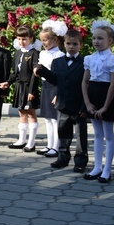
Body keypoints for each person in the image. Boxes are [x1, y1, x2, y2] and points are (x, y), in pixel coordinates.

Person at [35, 28, 88, 172]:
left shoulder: (85, 62)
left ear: (80, 45)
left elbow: (87, 86)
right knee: (63, 131)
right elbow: (55, 80)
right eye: (69, 44)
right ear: (64, 44)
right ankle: (63, 157)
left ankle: (80, 161)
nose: (71, 47)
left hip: (78, 105)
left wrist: (85, 106)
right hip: (63, 103)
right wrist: (43, 71)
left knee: (80, 135)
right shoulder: (58, 62)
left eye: (75, 44)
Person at [82, 20, 114, 184]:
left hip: (106, 97)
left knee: (108, 134)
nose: (96, 41)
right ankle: (97, 166)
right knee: (97, 134)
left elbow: (113, 84)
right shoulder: (89, 59)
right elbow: (85, 82)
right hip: (93, 96)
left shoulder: (113, 60)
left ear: (110, 41)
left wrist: (106, 106)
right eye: (94, 38)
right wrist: (87, 103)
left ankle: (107, 169)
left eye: (100, 38)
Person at [35, 20, 66, 159]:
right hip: (45, 86)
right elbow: (40, 68)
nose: (44, 43)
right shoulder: (43, 53)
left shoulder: (59, 56)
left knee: (55, 119)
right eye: (42, 40)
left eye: (46, 40)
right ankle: (49, 144)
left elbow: (60, 77)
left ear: (55, 39)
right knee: (47, 117)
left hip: (55, 87)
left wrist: (58, 93)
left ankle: (56, 146)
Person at [8, 25, 40, 152]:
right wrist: (8, 82)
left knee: (31, 113)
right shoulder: (17, 53)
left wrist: (32, 91)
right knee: (21, 112)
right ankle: (22, 140)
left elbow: (35, 74)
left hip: (29, 86)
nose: (21, 42)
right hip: (19, 86)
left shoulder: (34, 53)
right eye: (19, 39)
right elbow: (15, 72)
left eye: (24, 39)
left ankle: (31, 143)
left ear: (31, 39)